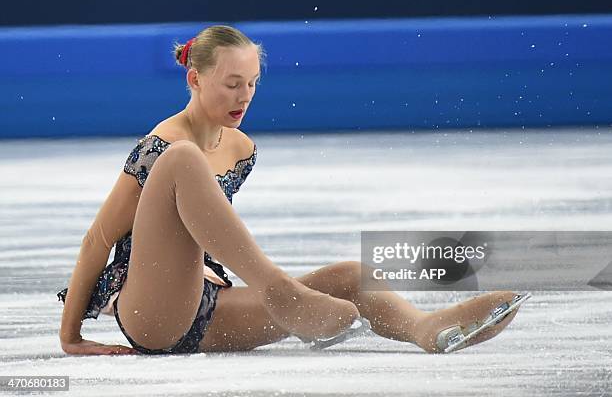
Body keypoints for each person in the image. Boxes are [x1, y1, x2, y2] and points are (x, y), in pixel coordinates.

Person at [57, 25, 525, 356]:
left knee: (350, 274)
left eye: (253, 84)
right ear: (194, 79)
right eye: (232, 84)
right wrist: (70, 336)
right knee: (183, 158)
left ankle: (422, 328)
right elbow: (98, 240)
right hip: (150, 312)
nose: (244, 97)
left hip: (206, 310)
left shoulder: (241, 149)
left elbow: (205, 229)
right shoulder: (161, 144)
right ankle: (279, 290)